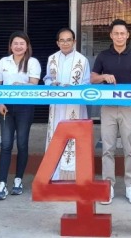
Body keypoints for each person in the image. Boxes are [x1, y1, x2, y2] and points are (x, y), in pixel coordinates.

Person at [91, 19, 131, 205]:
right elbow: (92, 78)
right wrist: (103, 76)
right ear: (111, 35)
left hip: (128, 108)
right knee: (108, 148)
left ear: (127, 35)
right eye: (116, 33)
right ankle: (108, 186)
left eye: (122, 33)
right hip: (107, 107)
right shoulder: (103, 56)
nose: (119, 36)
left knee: (130, 149)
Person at [0, 31, 41, 200]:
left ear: (27, 46)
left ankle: (18, 180)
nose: (18, 46)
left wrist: (23, 85)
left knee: (22, 143)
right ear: (10, 46)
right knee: (6, 144)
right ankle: (2, 183)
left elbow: (34, 84)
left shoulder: (32, 62)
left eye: (22, 43)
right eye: (15, 43)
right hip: (6, 107)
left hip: (25, 107)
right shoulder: (3, 61)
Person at [43, 27, 91, 180]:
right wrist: (51, 84)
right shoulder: (52, 59)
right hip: (56, 107)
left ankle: (73, 176)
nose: (65, 43)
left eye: (68, 40)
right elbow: (47, 78)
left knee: (74, 139)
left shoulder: (82, 60)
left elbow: (87, 84)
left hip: (75, 107)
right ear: (58, 43)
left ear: (74, 41)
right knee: (55, 136)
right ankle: (54, 175)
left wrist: (74, 88)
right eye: (62, 40)